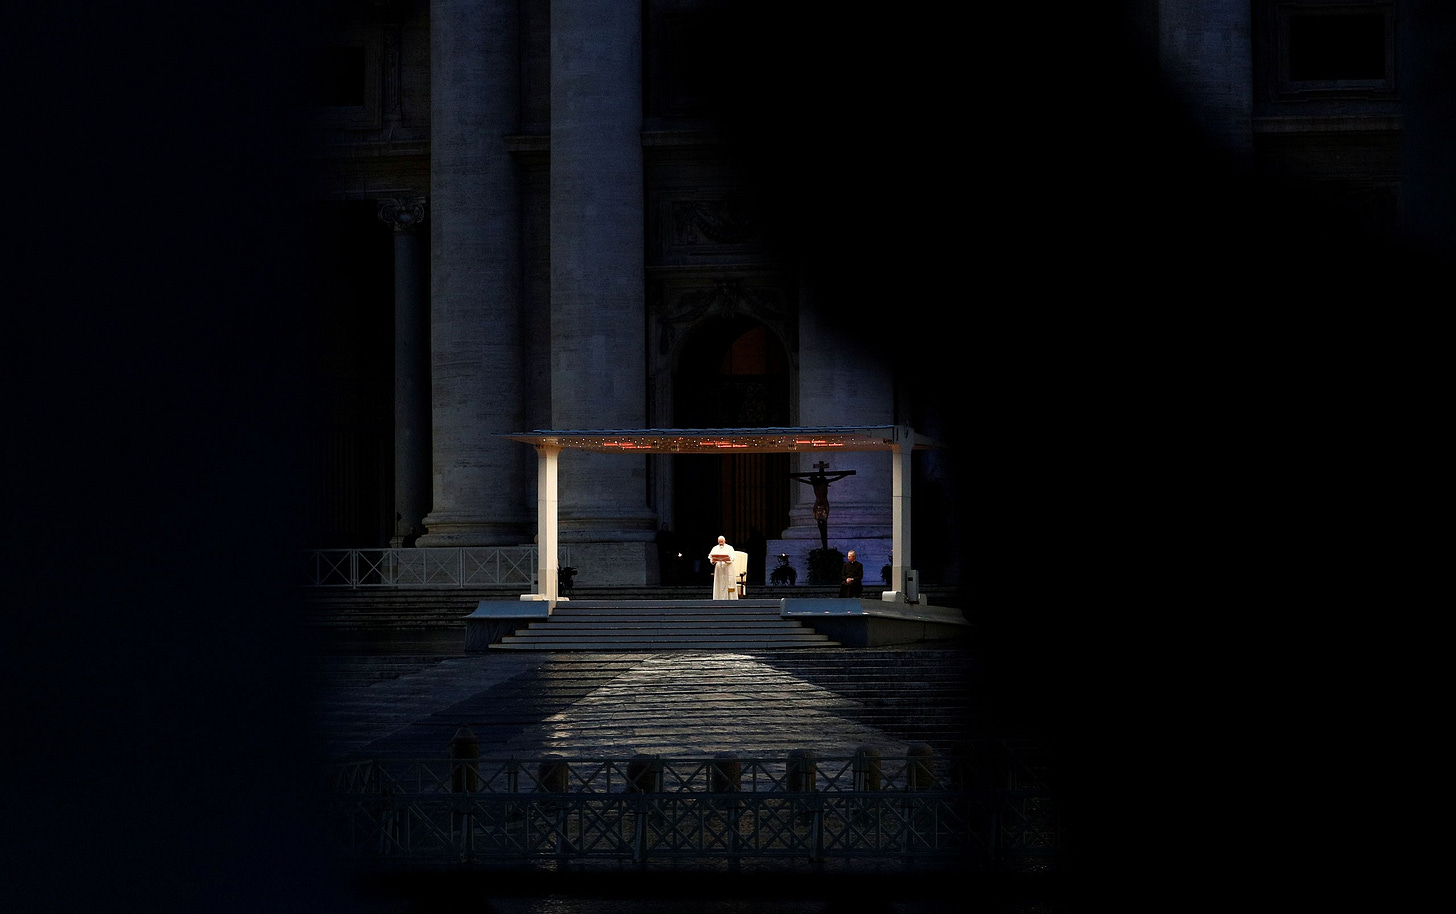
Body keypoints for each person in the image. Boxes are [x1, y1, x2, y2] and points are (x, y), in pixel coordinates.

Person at [709, 536, 736, 600]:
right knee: (719, 583)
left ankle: (729, 599)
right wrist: (713, 560)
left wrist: (725, 559)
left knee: (727, 583)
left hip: (727, 568)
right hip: (719, 569)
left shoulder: (730, 548)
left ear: (725, 541)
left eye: (722, 541)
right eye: (719, 542)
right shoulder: (715, 548)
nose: (720, 543)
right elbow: (711, 557)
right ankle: (718, 598)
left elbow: (732, 558)